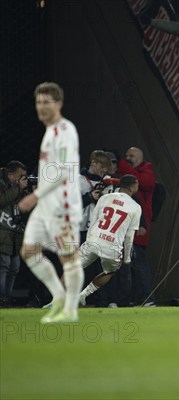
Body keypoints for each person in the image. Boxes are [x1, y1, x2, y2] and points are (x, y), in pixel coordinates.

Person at [18, 82, 84, 323]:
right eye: (38, 102)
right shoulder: (49, 131)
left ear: (59, 104)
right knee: (29, 251)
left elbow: (66, 170)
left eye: (47, 102)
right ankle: (58, 297)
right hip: (46, 204)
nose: (41, 107)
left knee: (69, 257)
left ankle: (70, 310)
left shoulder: (65, 131)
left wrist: (35, 195)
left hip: (62, 206)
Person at [78, 175, 142, 306]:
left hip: (94, 240)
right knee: (110, 271)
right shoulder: (135, 207)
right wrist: (127, 258)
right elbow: (129, 236)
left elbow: (93, 221)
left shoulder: (105, 198)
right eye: (137, 185)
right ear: (132, 188)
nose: (138, 187)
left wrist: (88, 240)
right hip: (112, 245)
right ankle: (83, 295)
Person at [117, 147, 156, 306]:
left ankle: (148, 298)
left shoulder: (147, 173)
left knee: (138, 264)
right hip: (127, 225)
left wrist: (121, 164)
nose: (128, 158)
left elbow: (140, 182)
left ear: (139, 158)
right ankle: (135, 298)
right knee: (128, 266)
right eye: (126, 156)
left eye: (131, 156)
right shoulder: (133, 172)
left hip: (138, 227)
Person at [0, 161, 29, 307]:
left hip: (16, 233)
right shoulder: (2, 184)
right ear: (10, 174)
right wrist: (18, 188)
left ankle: (7, 299)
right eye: (20, 176)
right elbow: (2, 200)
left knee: (14, 268)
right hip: (3, 232)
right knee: (3, 266)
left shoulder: (19, 188)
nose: (22, 179)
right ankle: (2, 299)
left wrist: (25, 191)